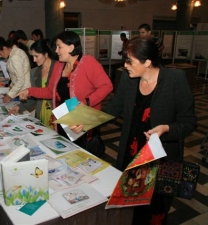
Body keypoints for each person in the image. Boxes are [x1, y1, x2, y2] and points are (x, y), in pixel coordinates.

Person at [103, 37, 197, 224]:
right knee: (130, 211)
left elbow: (189, 122)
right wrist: (86, 119)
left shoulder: (174, 80)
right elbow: (114, 108)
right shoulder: (128, 79)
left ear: (147, 62)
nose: (125, 65)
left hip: (159, 163)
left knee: (154, 212)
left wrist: (166, 129)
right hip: (131, 158)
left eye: (130, 61)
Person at [17, 31, 113, 157]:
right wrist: (30, 91)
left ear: (71, 47)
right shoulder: (59, 66)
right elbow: (50, 91)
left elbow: (107, 86)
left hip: (82, 122)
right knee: (68, 155)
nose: (56, 51)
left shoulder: (88, 62)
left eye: (59, 47)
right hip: (64, 120)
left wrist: (85, 102)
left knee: (84, 157)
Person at [9, 39, 57, 129]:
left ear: (46, 54)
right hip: (42, 113)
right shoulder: (34, 72)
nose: (34, 60)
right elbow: (35, 97)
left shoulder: (58, 68)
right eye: (32, 57)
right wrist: (19, 107)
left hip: (57, 113)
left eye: (36, 56)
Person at [0, 36, 31, 103]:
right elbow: (15, 76)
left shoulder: (15, 57)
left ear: (4, 48)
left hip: (24, 91)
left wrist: (9, 95)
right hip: (21, 89)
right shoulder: (14, 53)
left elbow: (21, 80)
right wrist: (11, 86)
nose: (0, 56)